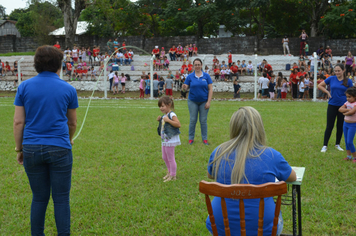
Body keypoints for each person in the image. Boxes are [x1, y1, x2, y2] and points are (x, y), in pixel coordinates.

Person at [13, 45, 78, 235]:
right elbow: (72, 123)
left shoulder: (24, 86)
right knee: (61, 199)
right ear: (59, 65)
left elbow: (18, 122)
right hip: (60, 148)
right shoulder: (68, 89)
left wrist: (19, 149)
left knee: (39, 198)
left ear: (36, 64)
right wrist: (69, 139)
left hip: (31, 148)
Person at [205, 106, 296, 236]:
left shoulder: (219, 152)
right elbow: (292, 177)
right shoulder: (272, 155)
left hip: (221, 227)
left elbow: (210, 175)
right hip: (263, 229)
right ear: (259, 128)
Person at [318, 63, 353, 153]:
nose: (337, 72)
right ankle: (325, 145)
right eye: (336, 71)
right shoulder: (331, 78)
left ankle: (337, 144)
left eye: (339, 71)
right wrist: (327, 92)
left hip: (343, 106)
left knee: (340, 126)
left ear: (343, 70)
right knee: (329, 125)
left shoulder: (348, 81)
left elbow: (352, 92)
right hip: (332, 105)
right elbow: (320, 85)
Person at [182, 58, 213, 145]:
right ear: (193, 66)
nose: (197, 66)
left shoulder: (206, 76)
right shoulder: (190, 76)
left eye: (199, 64)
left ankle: (205, 139)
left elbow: (210, 89)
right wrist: (184, 87)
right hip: (192, 101)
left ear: (201, 65)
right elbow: (185, 88)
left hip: (204, 102)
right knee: (193, 120)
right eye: (195, 65)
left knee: (203, 121)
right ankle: (191, 138)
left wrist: (208, 102)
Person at [156, 97, 181, 182]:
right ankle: (169, 172)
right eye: (160, 106)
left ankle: (173, 176)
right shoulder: (165, 115)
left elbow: (178, 124)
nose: (161, 108)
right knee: (164, 157)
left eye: (162, 106)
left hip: (170, 140)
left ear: (169, 105)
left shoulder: (171, 114)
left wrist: (168, 120)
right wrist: (161, 120)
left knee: (170, 158)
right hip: (164, 140)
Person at [339, 87, 356, 162]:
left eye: (349, 97)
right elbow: (340, 109)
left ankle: (355, 157)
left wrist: (345, 112)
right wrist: (347, 110)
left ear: (355, 96)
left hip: (352, 125)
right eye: (347, 97)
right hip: (345, 124)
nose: (348, 98)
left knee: (349, 141)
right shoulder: (347, 103)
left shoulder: (355, 104)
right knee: (346, 141)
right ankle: (348, 156)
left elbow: (352, 112)